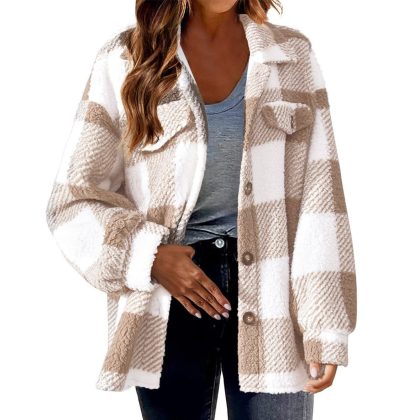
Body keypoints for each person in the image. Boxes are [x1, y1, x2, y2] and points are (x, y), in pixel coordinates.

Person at [45, 0, 357, 419]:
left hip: (275, 296)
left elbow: (321, 201)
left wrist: (325, 326)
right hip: (170, 297)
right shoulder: (125, 59)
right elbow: (72, 200)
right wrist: (149, 257)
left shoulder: (292, 56)